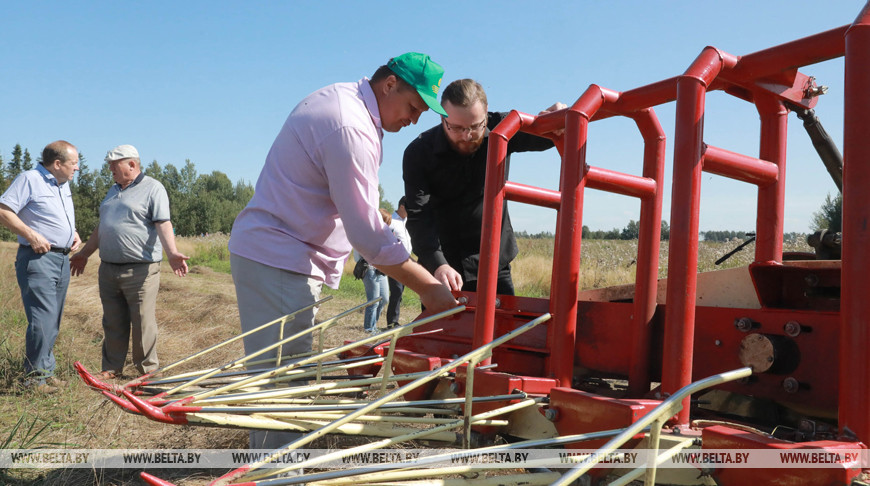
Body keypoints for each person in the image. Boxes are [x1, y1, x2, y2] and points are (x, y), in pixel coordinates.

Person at [227, 52, 458, 451]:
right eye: (413, 107)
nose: (414, 120)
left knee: (280, 380)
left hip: (280, 256)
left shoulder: (344, 103)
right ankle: (271, 472)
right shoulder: (350, 126)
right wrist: (428, 287)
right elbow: (366, 236)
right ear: (389, 85)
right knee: (281, 388)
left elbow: (362, 211)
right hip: (281, 258)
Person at [403, 78, 565, 295]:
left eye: (475, 126)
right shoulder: (418, 153)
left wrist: (562, 118)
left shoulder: (504, 128)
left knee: (504, 328)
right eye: (456, 128)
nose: (467, 136)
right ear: (442, 117)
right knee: (445, 329)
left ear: (486, 113)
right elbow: (419, 216)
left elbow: (549, 134)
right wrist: (437, 264)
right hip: (444, 269)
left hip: (494, 264)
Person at [69, 144, 189, 380]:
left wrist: (172, 253)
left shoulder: (153, 188)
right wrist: (84, 253)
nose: (110, 169)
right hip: (109, 268)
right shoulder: (112, 191)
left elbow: (163, 223)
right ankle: (112, 368)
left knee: (143, 321)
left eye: (114, 165)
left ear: (131, 164)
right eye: (109, 165)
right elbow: (102, 228)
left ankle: (147, 371)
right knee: (112, 320)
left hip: (140, 269)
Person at [0, 141, 81, 393]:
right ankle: (34, 380)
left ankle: (45, 370)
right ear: (57, 164)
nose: (77, 168)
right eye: (74, 163)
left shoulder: (62, 185)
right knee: (41, 318)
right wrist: (32, 235)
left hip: (61, 258)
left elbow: (53, 217)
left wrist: (73, 233)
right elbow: (4, 210)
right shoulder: (30, 179)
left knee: (53, 319)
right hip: (38, 258)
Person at [386, 197, 411, 328]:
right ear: (402, 207)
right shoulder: (392, 221)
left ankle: (394, 319)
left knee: (400, 292)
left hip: (407, 261)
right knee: (396, 291)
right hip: (395, 261)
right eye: (408, 209)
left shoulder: (407, 221)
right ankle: (392, 322)